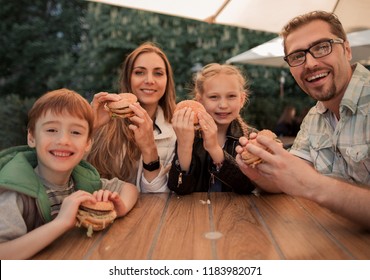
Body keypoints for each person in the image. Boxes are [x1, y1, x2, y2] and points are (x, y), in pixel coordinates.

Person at [235, 11, 370, 228]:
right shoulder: (315, 117)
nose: (309, 63)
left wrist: (315, 185)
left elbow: (306, 183)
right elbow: (290, 177)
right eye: (297, 56)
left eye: (321, 47)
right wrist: (258, 172)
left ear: (346, 50)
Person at [0, 88, 138, 259]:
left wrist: (119, 207)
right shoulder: (15, 194)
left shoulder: (82, 181)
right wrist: (61, 223)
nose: (63, 140)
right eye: (51, 130)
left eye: (76, 132)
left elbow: (130, 188)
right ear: (32, 138)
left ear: (88, 143)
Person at [87, 42, 177, 193]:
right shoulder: (104, 121)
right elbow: (73, 176)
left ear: (168, 80)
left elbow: (164, 196)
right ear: (128, 78)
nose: (149, 80)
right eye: (139, 72)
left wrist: (149, 148)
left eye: (158, 73)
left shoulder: (177, 129)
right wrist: (89, 128)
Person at [167, 63, 257, 194]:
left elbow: (247, 187)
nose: (223, 105)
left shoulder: (250, 138)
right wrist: (185, 146)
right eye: (213, 97)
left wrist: (214, 149)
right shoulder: (189, 135)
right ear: (200, 101)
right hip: (196, 212)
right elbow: (179, 188)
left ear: (242, 99)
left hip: (237, 213)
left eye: (231, 96)